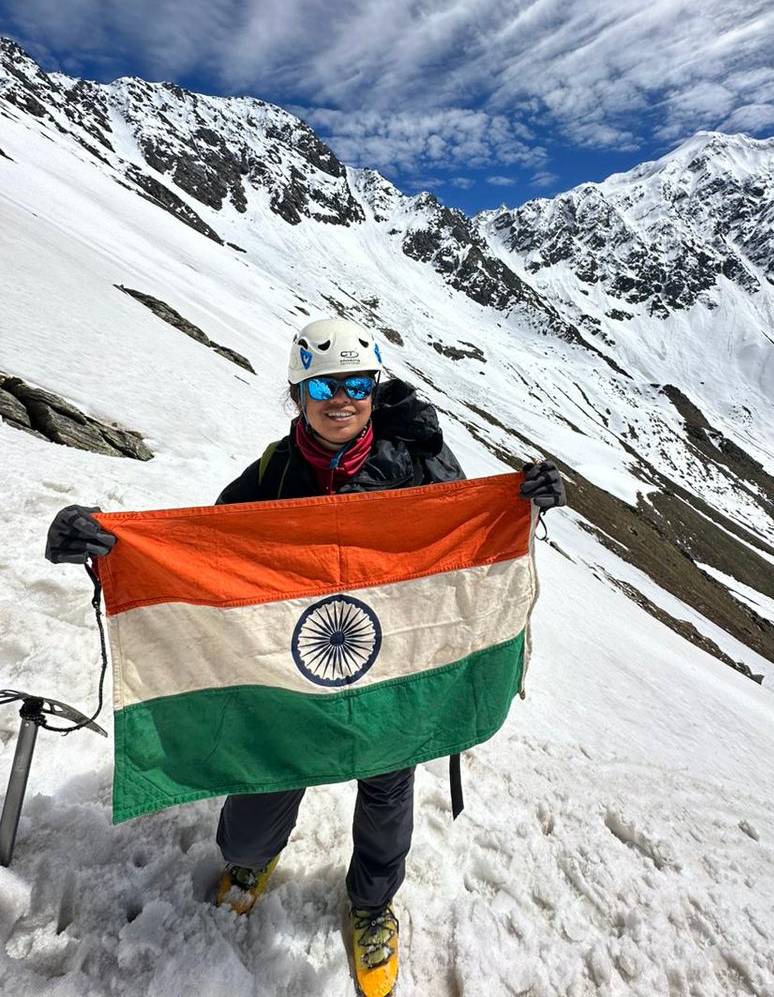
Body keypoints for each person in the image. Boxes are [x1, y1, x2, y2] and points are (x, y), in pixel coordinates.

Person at [46, 316, 566, 997]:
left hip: (391, 669)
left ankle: (373, 905)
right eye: (323, 384)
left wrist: (526, 501)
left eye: (357, 382)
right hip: (292, 675)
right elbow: (202, 560)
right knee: (263, 787)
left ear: (375, 390)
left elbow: (464, 541)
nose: (341, 397)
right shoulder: (271, 475)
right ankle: (250, 861)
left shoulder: (418, 463)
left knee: (387, 791)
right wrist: (106, 546)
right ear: (298, 394)